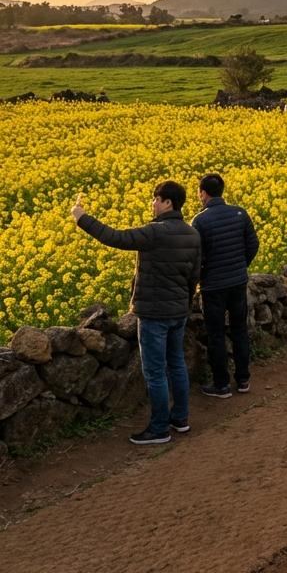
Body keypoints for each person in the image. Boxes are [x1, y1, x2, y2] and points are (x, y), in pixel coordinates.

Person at [71, 181, 200, 445]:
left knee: (155, 372)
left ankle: (159, 429)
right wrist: (184, 304)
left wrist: (82, 218)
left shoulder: (154, 232)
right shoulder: (192, 234)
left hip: (154, 313)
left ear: (167, 203)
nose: (153, 203)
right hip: (178, 311)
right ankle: (180, 418)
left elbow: (116, 238)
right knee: (177, 364)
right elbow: (194, 274)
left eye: (156, 199)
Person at [192, 173, 259, 398]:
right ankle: (243, 379)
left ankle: (221, 385)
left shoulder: (200, 221)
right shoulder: (240, 213)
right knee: (240, 329)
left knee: (216, 334)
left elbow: (197, 257)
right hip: (238, 282)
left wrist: (202, 276)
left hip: (213, 287)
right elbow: (253, 244)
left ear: (203, 193)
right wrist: (240, 266)